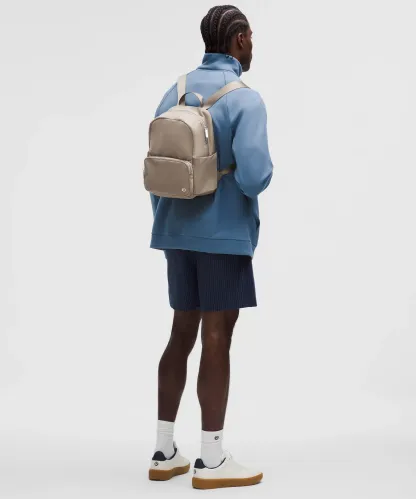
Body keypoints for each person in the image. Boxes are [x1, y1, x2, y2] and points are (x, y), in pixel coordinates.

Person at [147, 5, 273, 490]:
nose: (253, 46)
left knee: (181, 331)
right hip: (223, 236)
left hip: (174, 230)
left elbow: (158, 166)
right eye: (251, 38)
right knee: (217, 336)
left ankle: (163, 453)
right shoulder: (245, 99)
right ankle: (213, 459)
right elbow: (255, 177)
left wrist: (168, 221)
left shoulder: (174, 90)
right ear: (238, 40)